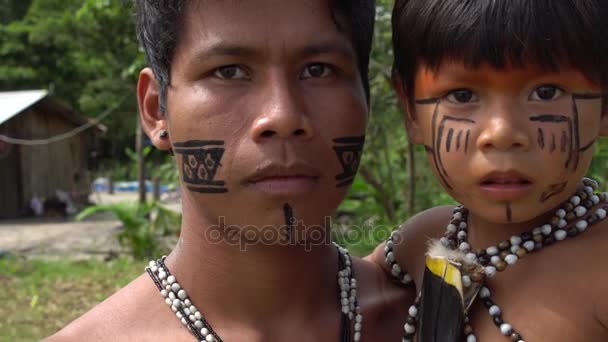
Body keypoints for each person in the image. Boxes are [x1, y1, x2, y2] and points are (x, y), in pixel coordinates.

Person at [46, 0, 411, 341]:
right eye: (228, 71)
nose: (282, 116)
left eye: (318, 70)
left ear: (367, 98)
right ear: (157, 110)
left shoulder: (436, 316)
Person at [367, 0, 608, 341]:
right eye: (462, 94)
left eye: (546, 92)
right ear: (410, 111)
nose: (502, 133)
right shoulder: (425, 238)